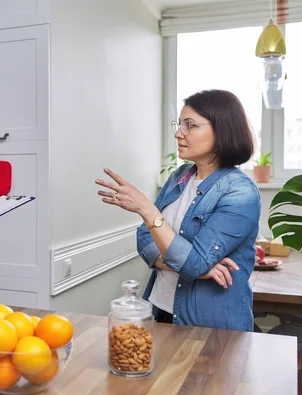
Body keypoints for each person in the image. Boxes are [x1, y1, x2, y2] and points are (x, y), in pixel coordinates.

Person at [96, 89, 261, 332]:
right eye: (179, 124)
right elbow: (144, 240)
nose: (178, 133)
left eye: (190, 125)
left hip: (210, 325)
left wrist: (148, 210)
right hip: (160, 310)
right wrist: (190, 266)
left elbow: (193, 263)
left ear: (222, 129)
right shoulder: (180, 177)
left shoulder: (240, 192)